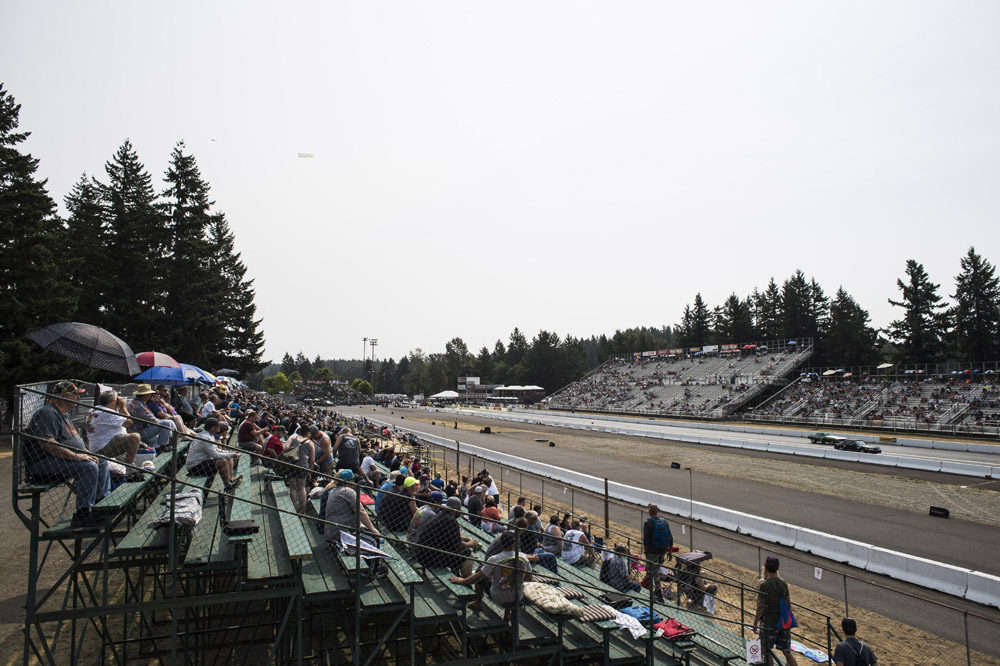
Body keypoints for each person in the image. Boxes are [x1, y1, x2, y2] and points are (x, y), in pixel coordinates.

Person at [24, 381, 111, 528]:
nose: (78, 398)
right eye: (76, 395)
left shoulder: (64, 413)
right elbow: (48, 443)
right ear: (66, 396)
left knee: (100, 461)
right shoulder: (48, 412)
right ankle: (82, 514)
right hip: (44, 463)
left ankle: (100, 506)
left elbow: (74, 441)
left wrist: (85, 452)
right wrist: (77, 456)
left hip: (59, 460)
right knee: (88, 467)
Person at [450, 531, 532, 616]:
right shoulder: (524, 557)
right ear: (514, 544)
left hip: (498, 596)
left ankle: (478, 603)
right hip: (517, 596)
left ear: (501, 543)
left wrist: (462, 580)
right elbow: (529, 577)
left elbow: (478, 577)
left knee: (479, 571)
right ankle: (507, 613)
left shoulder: (495, 559)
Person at [414, 497, 477, 576]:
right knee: (468, 554)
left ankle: (456, 572)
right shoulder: (451, 520)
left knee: (456, 551)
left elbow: (450, 537)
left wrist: (466, 539)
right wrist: (470, 544)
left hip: (422, 554)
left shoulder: (440, 515)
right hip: (430, 558)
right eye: (459, 509)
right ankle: (466, 580)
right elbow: (458, 544)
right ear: (455, 509)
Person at [754, 556, 799, 666]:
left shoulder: (764, 584)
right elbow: (788, 603)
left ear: (765, 566)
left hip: (770, 622)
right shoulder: (783, 582)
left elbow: (760, 606)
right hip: (784, 621)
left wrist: (755, 622)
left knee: (767, 650)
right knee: (787, 651)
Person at [185, 418, 242, 492]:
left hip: (201, 463)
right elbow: (214, 455)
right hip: (195, 467)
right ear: (212, 427)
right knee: (222, 461)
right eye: (218, 426)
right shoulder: (206, 437)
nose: (219, 427)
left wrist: (230, 453)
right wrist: (230, 455)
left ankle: (230, 480)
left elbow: (217, 450)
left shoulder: (209, 436)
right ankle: (228, 485)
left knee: (227, 457)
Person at [323, 469, 380, 543]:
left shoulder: (334, 489)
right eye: (353, 480)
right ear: (349, 481)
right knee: (374, 541)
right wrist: (373, 529)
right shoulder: (348, 491)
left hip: (334, 530)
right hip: (341, 533)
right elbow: (361, 511)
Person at [85, 390, 141, 465]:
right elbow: (129, 422)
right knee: (135, 437)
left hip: (96, 446)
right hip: (102, 448)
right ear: (113, 401)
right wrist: (122, 407)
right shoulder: (108, 412)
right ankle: (129, 466)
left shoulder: (93, 409)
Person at [128, 384, 177, 451]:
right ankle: (163, 446)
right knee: (166, 423)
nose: (150, 396)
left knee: (169, 422)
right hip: (138, 433)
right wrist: (161, 421)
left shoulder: (139, 402)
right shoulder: (139, 405)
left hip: (143, 430)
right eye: (149, 394)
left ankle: (168, 442)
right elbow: (152, 419)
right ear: (145, 395)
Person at [642, 504, 673, 599]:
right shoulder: (664, 522)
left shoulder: (648, 523)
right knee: (656, 570)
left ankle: (657, 591)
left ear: (649, 511)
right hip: (662, 551)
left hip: (652, 552)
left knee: (652, 571)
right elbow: (671, 538)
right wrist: (670, 551)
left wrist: (646, 551)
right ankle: (657, 590)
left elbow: (646, 540)